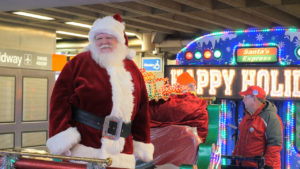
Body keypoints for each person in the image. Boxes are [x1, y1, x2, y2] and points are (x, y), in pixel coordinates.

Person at [46, 14, 154, 169]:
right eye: (99, 38)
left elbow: (143, 112)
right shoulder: (78, 63)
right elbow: (58, 103)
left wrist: (142, 141)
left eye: (109, 37)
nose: (103, 42)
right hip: (84, 148)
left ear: (120, 40)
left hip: (123, 152)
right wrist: (62, 136)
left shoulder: (132, 69)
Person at [232, 86, 283, 169]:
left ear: (254, 98)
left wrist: (268, 165)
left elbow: (274, 145)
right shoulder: (247, 118)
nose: (243, 100)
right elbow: (239, 141)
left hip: (261, 166)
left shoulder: (271, 118)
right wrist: (234, 158)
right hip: (245, 166)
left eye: (245, 97)